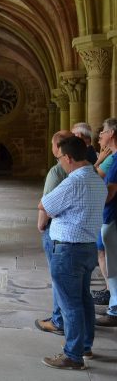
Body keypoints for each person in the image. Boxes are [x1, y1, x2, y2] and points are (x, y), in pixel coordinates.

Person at [39, 136, 106, 370]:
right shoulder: (97, 179)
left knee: (70, 305)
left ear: (68, 158)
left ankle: (73, 355)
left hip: (68, 249)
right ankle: (85, 345)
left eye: (60, 159)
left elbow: (45, 206)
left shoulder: (73, 181)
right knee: (84, 299)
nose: (61, 163)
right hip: (87, 247)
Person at [34, 130, 71, 338]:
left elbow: (45, 205)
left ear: (57, 147)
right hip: (79, 235)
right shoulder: (87, 172)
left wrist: (41, 226)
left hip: (57, 231)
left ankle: (58, 320)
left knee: (58, 279)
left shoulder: (56, 172)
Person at [95, 118, 117, 327]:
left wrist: (92, 200)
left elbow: (109, 193)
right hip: (110, 216)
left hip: (111, 216)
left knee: (113, 263)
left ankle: (115, 310)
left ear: (111, 133)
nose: (100, 135)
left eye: (103, 131)